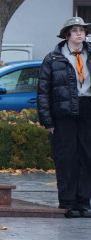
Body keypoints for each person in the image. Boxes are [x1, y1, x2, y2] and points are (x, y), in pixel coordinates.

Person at [37, 16, 91, 217]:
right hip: (64, 112)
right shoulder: (53, 58)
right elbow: (43, 92)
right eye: (75, 30)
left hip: (87, 108)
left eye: (82, 30)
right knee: (66, 157)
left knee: (87, 157)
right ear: (67, 34)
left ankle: (84, 202)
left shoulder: (90, 54)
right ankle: (68, 203)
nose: (80, 33)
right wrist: (47, 120)